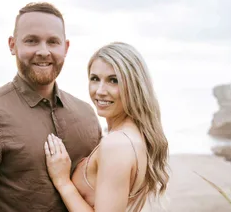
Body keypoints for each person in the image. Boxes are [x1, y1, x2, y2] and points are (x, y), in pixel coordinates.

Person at [0, 2, 102, 212]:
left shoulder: (87, 115)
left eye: (53, 42)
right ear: (12, 45)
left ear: (66, 48)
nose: (43, 51)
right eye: (31, 41)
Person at [43, 42, 170, 212]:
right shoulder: (136, 135)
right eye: (95, 79)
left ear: (134, 85)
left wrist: (63, 182)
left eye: (113, 80)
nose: (100, 91)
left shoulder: (117, 144)